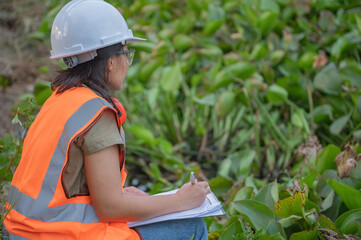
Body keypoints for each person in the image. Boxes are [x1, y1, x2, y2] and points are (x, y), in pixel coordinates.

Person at [2, 0, 210, 239]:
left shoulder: (60, 99)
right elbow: (110, 207)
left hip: (21, 232)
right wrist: (180, 200)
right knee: (193, 226)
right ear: (111, 61)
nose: (126, 64)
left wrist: (121, 193)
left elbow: (62, 188)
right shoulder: (97, 114)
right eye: (126, 55)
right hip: (60, 235)